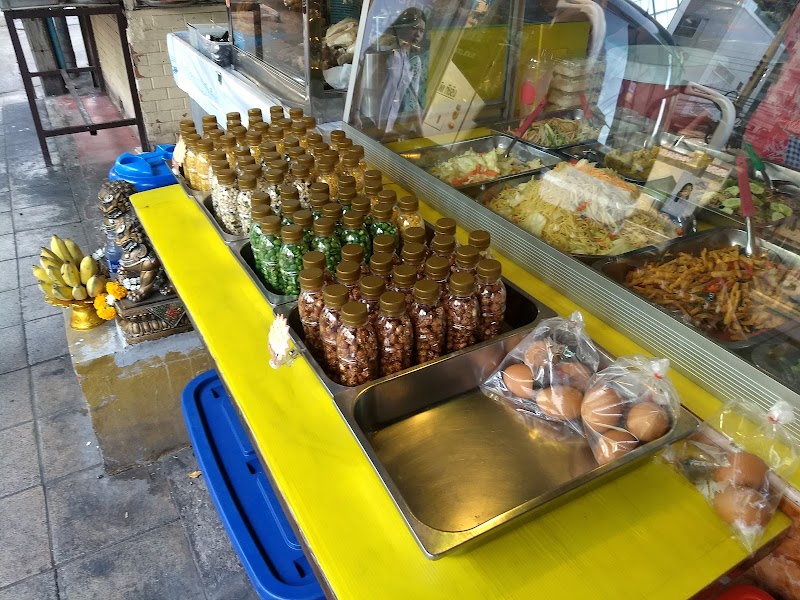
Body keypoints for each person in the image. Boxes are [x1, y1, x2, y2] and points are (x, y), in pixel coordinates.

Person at [374, 8, 427, 139]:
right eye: (414, 28)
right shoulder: (387, 52)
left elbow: (414, 98)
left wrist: (421, 132)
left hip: (389, 122)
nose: (418, 34)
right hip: (374, 121)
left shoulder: (414, 60)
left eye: (422, 31)